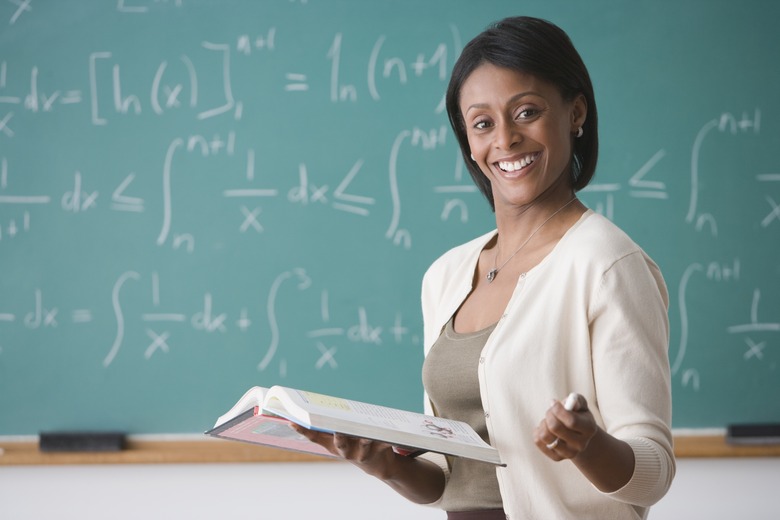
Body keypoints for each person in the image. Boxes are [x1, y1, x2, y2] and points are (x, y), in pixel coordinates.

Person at [293, 15, 675, 519]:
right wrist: (385, 464)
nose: (506, 139)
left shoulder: (607, 264)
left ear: (575, 112)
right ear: (469, 143)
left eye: (527, 112)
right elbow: (446, 479)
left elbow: (653, 473)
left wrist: (587, 446)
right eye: (483, 123)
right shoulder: (446, 276)